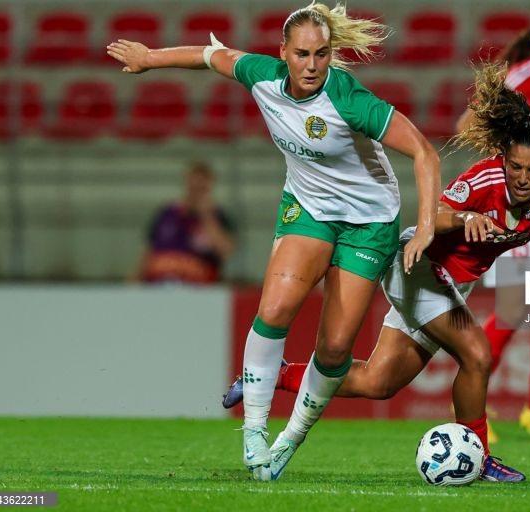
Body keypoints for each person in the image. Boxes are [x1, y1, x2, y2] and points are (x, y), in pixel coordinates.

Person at [223, 61, 530, 482]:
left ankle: (267, 379)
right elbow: (433, 218)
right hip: (415, 267)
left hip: (443, 285)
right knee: (478, 354)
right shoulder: (483, 180)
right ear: (503, 160)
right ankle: (481, 458)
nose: (526, 179)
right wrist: (465, 218)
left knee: (380, 382)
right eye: (517, 168)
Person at [107, 2, 441, 482]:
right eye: (302, 53)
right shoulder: (260, 75)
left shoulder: (349, 99)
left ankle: (292, 437)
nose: (311, 65)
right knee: (276, 309)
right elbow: (208, 56)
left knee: (334, 350)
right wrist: (147, 58)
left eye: (322, 54)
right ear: (283, 52)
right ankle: (255, 430)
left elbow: (425, 153)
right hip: (308, 211)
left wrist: (425, 225)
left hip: (369, 223)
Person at [456, 1, 530, 443]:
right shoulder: (524, 75)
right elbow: (469, 120)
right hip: (516, 209)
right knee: (514, 309)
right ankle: (474, 403)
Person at [134, 161, 237, 284]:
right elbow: (149, 251)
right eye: (194, 186)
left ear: (209, 186)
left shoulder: (219, 216)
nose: (196, 191)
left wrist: (207, 217)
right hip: (159, 283)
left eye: (201, 188)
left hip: (198, 287)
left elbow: (226, 251)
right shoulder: (167, 213)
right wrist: (134, 282)